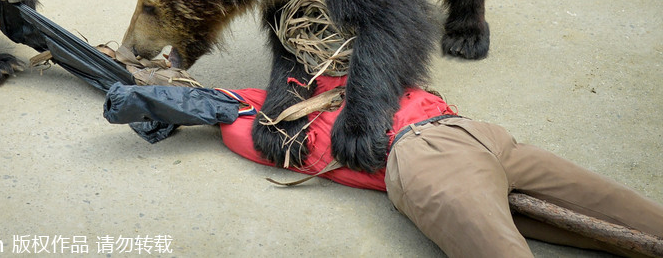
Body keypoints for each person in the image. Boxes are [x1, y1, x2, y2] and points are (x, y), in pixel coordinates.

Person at [105, 75, 663, 258]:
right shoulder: (258, 117)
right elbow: (208, 103)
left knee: (636, 217)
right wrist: (153, 102)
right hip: (432, 154)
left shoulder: (355, 70)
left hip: (470, 139)